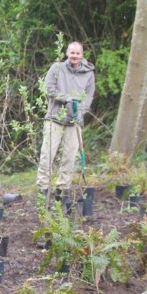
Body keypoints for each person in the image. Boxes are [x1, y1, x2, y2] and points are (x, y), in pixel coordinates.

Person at [36, 41, 95, 199]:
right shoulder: (57, 68)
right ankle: (43, 188)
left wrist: (80, 113)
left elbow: (88, 96)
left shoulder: (88, 73)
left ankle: (63, 190)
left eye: (78, 53)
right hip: (54, 119)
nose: (75, 56)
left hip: (74, 122)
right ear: (67, 54)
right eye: (72, 53)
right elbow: (48, 89)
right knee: (47, 155)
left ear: (82, 55)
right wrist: (67, 98)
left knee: (69, 157)